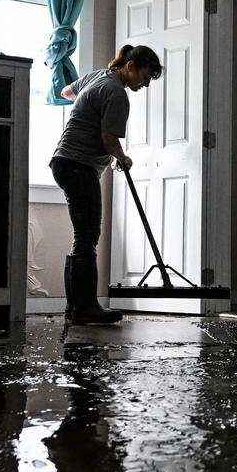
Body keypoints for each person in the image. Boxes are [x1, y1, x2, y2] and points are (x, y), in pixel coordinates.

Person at [50, 44, 163, 325]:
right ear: (131, 66)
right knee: (87, 236)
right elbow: (109, 139)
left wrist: (85, 110)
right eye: (146, 77)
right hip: (78, 165)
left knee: (82, 236)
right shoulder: (116, 93)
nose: (146, 84)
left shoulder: (98, 77)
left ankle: (76, 308)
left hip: (64, 161)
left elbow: (66, 92)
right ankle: (84, 308)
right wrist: (122, 157)